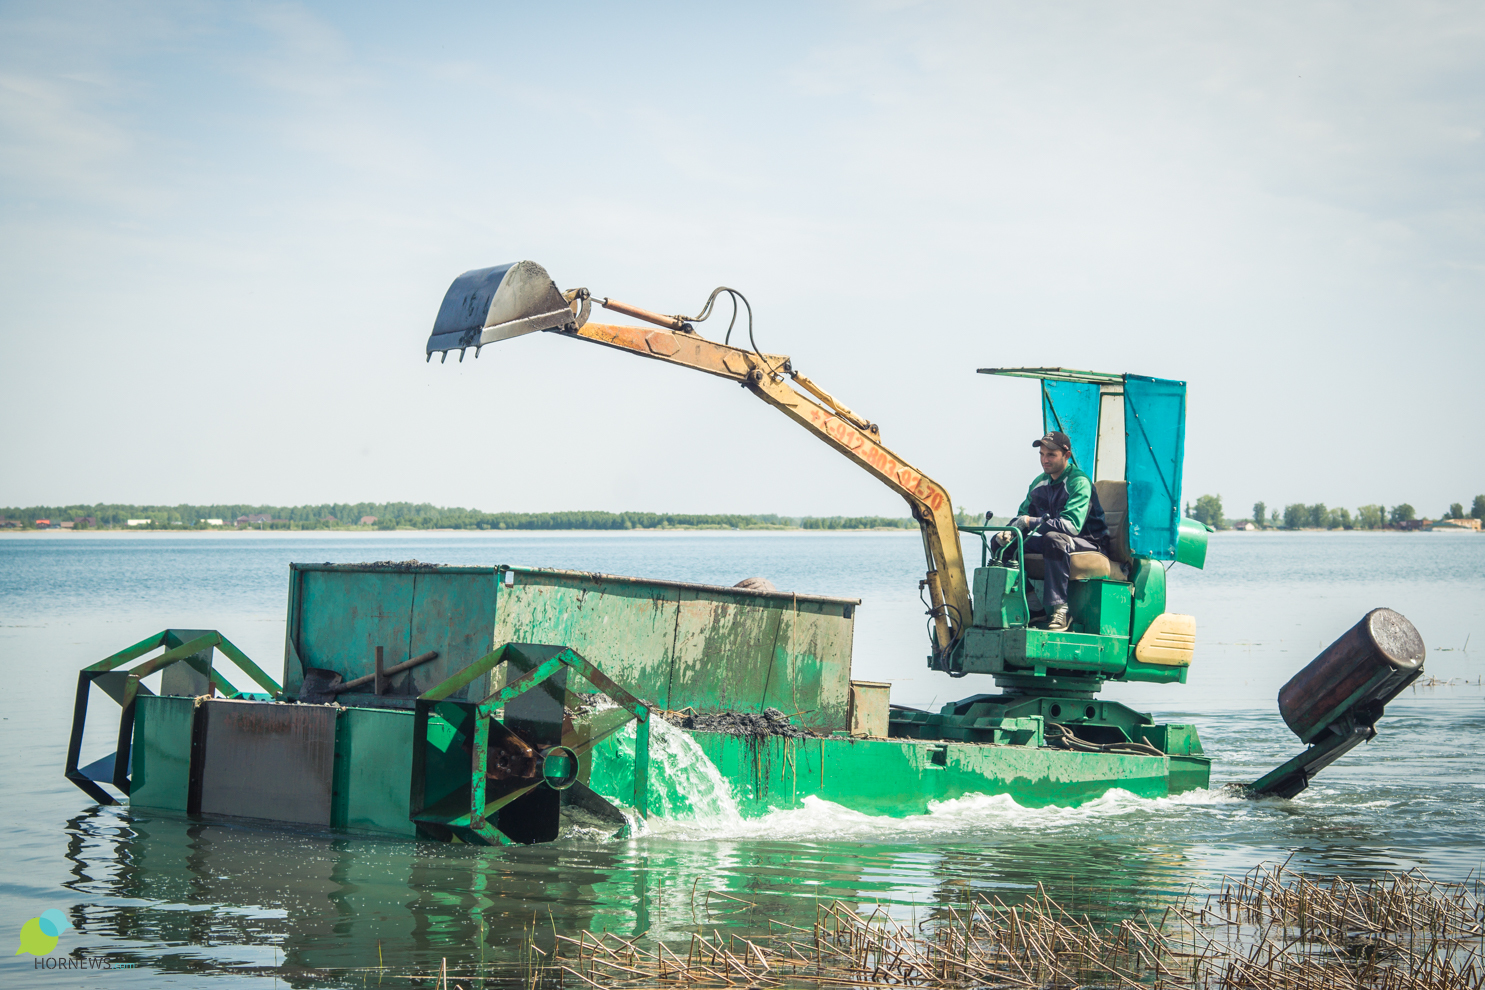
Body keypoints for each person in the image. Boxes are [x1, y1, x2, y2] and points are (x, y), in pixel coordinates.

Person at [994, 430, 1108, 631]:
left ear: (1067, 456)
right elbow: (1022, 516)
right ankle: (1033, 607)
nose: (1045, 460)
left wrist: (1029, 522)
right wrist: (1011, 531)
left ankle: (1061, 611)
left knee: (1054, 539)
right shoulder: (1039, 483)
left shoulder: (1078, 482)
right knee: (999, 543)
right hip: (1057, 540)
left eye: (1051, 455)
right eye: (1042, 455)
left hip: (1089, 543)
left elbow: (1070, 526)